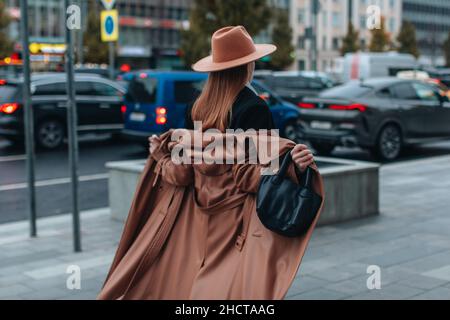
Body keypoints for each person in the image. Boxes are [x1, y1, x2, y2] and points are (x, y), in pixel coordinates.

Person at [98, 26, 324, 300]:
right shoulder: (254, 108)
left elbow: (181, 174)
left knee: (194, 288)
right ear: (246, 66)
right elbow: (250, 177)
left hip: (195, 217)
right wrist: (293, 166)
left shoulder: (196, 107)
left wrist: (160, 155)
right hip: (236, 222)